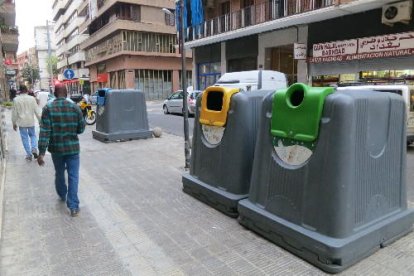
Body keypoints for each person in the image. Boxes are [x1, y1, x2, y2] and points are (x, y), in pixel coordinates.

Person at [37, 83, 85, 217]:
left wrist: (41, 153)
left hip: (56, 150)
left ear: (55, 93)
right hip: (73, 149)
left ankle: (62, 194)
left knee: (59, 172)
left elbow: (44, 131)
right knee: (73, 176)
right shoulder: (74, 107)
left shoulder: (48, 108)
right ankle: (74, 207)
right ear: (66, 93)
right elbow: (81, 129)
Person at [11, 85, 41, 161]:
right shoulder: (32, 99)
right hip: (30, 121)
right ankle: (34, 148)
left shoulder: (16, 100)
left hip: (22, 122)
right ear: (27, 90)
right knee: (33, 136)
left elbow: (14, 113)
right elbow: (37, 111)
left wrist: (14, 123)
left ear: (20, 91)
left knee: (24, 138)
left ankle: (29, 154)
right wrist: (40, 121)